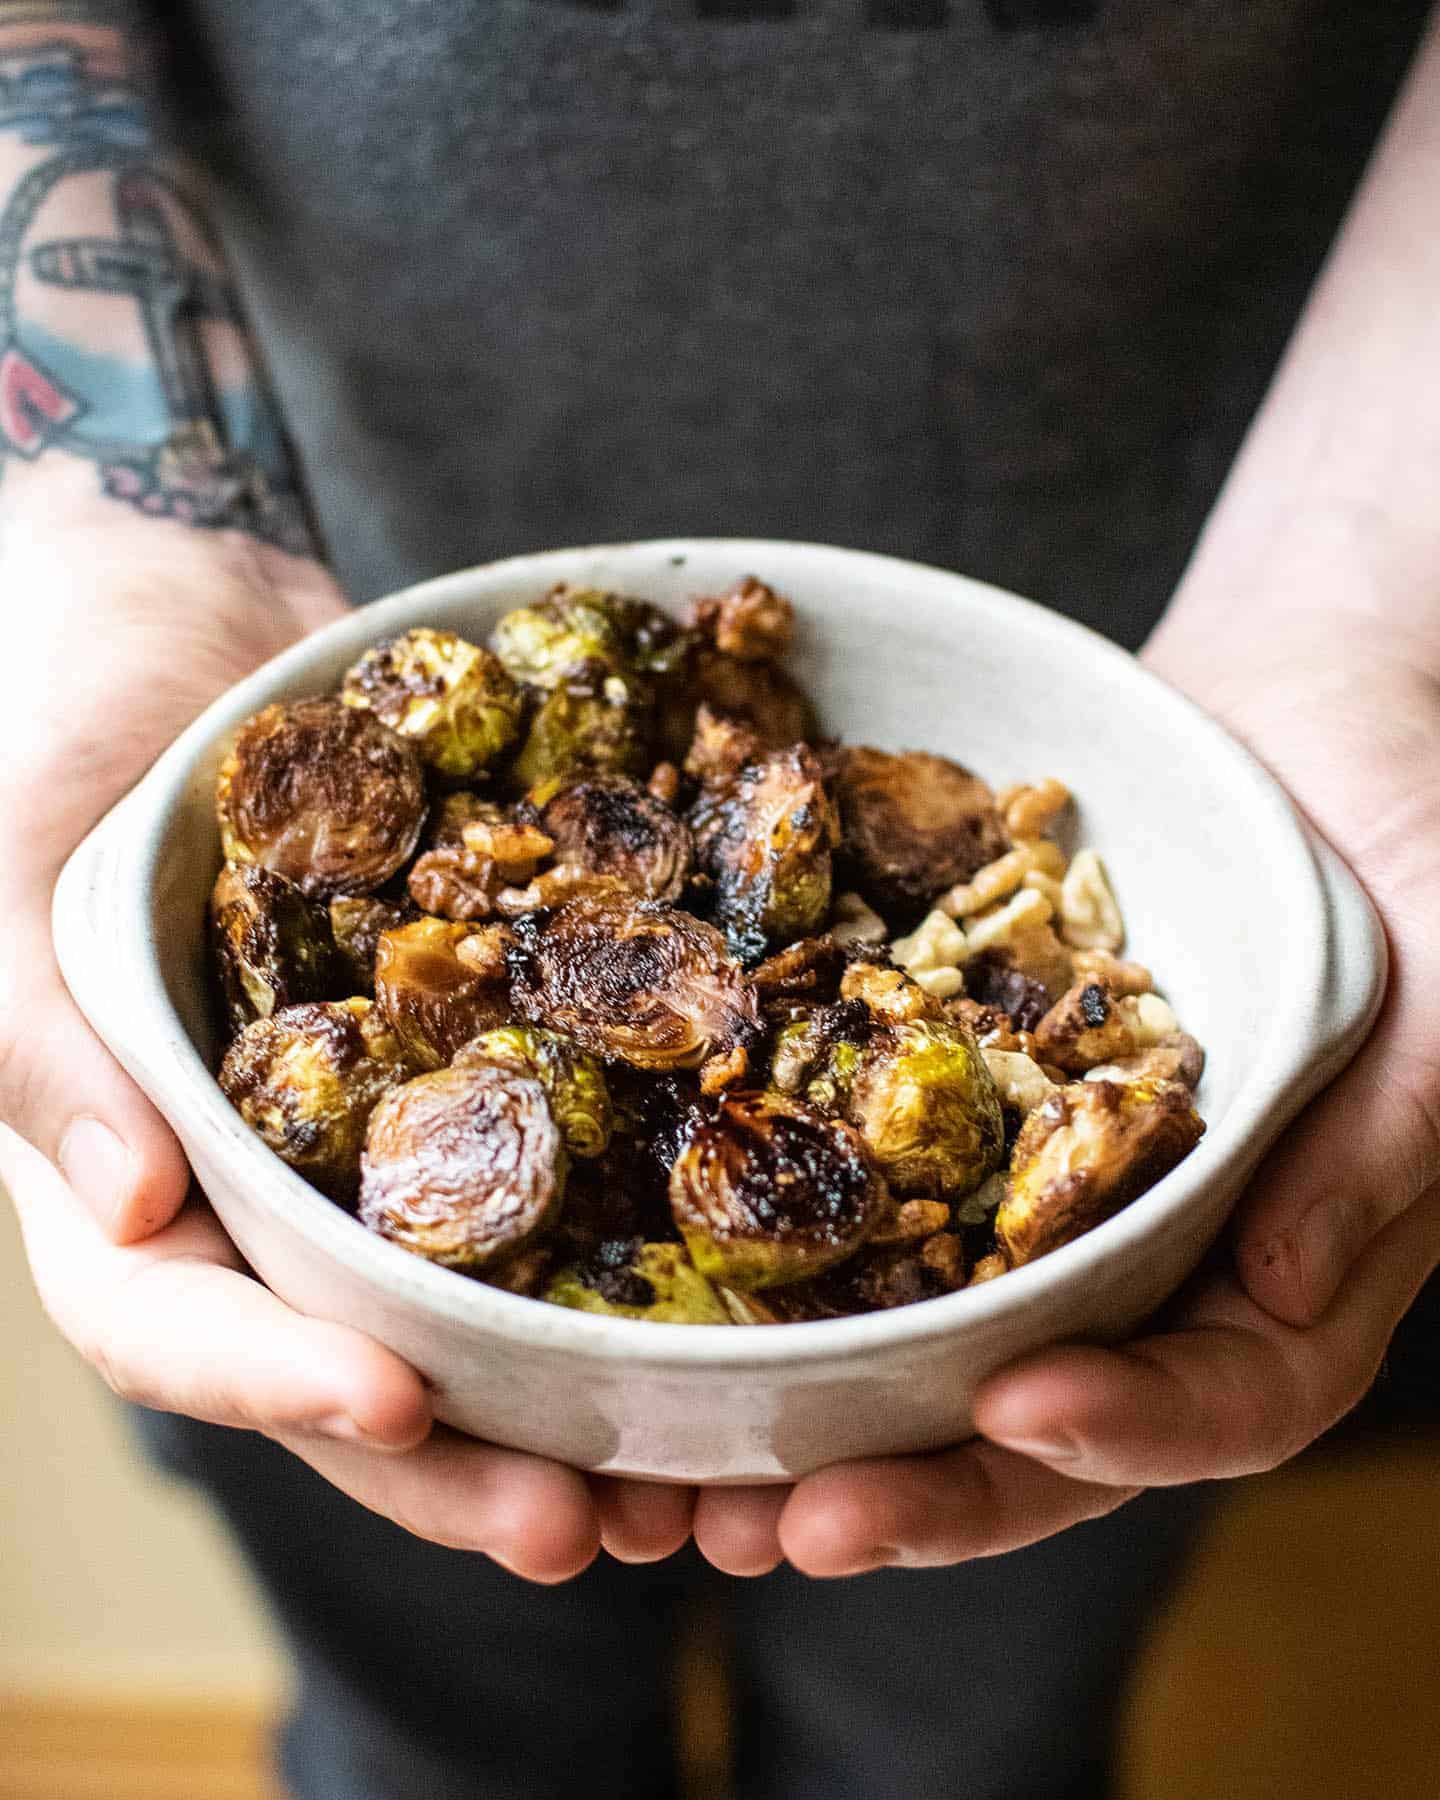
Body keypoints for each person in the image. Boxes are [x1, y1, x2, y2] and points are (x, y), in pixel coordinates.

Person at [4, 1, 1439, 1794]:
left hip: (1234, 562)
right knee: (439, 1723)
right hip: (290, 523)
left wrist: (1371, 606)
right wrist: (105, 529)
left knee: (966, 1731)